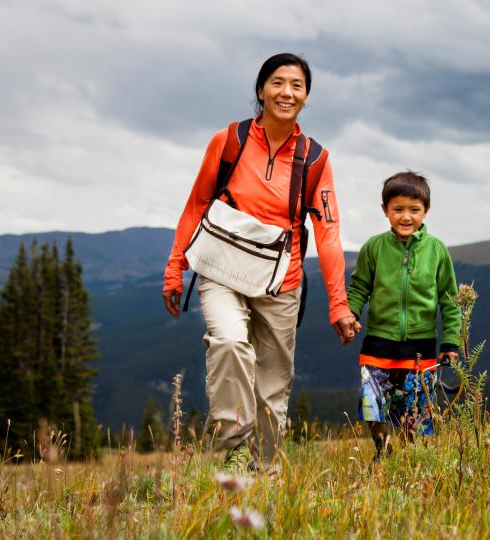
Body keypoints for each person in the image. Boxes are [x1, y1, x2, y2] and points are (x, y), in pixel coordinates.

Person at [162, 53, 359, 472]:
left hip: (281, 281)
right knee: (230, 343)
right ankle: (233, 453)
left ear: (306, 98)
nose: (287, 92)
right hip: (220, 270)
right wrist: (175, 267)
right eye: (277, 82)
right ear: (261, 91)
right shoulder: (228, 141)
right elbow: (197, 203)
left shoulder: (315, 159)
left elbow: (327, 232)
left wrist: (338, 303)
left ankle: (266, 474)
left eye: (297, 85)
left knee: (273, 389)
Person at [346, 171, 461, 462]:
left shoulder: (436, 250)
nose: (406, 217)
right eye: (398, 209)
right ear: (385, 210)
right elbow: (359, 286)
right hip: (378, 345)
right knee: (373, 405)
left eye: (414, 210)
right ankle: (382, 450)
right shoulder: (374, 247)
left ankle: (411, 458)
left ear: (426, 211)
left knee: (416, 411)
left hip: (420, 348)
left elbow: (449, 299)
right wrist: (350, 314)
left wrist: (450, 342)